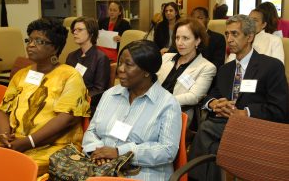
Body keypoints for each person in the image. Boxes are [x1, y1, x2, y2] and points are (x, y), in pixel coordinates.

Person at [188, 14, 289, 181]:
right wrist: (214, 104)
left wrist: (245, 113)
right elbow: (211, 95)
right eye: (227, 34)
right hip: (226, 124)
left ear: (250, 37)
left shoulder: (271, 66)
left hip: (257, 127)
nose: (229, 39)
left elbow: (280, 109)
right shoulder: (226, 69)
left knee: (206, 129)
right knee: (210, 136)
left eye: (235, 34)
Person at [0, 18, 90, 175]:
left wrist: (28, 142)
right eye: (29, 40)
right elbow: (3, 109)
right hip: (15, 142)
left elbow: (67, 118)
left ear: (54, 48)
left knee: (13, 169)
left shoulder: (70, 75)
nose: (31, 45)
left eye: (39, 41)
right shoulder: (21, 75)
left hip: (54, 146)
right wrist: (3, 135)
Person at [82, 40, 182, 181]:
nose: (120, 69)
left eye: (128, 64)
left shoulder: (168, 104)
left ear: (147, 71)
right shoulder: (110, 94)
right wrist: (98, 152)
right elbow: (92, 131)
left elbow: (167, 150)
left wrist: (119, 153)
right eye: (120, 62)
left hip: (142, 173)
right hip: (100, 168)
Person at [157, 17, 216, 120]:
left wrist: (162, 101)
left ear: (197, 41)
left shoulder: (206, 67)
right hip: (153, 106)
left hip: (177, 112)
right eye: (177, 37)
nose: (179, 43)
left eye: (185, 38)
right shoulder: (166, 57)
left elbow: (194, 97)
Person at [66, 16, 110, 97]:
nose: (75, 32)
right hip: (69, 98)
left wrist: (78, 99)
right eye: (74, 30)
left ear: (91, 32)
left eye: (79, 30)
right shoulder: (71, 56)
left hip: (88, 102)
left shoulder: (101, 58)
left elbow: (99, 90)